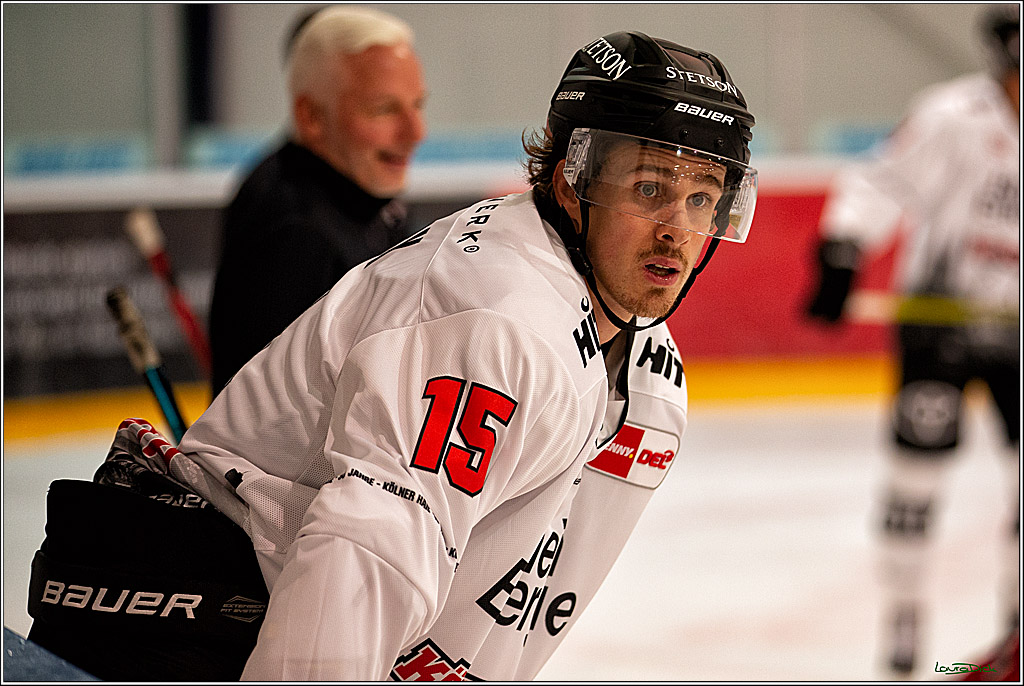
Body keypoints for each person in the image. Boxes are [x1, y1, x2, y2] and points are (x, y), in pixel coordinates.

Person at [25, 30, 757, 681]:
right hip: (180, 631)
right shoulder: (498, 321)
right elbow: (363, 558)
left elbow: (513, 620)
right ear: (572, 179)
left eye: (702, 199)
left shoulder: (647, 379)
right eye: (649, 188)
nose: (677, 231)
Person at [806, 7, 1019, 677]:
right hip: (940, 329)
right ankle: (904, 615)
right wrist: (845, 248)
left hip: (1019, 334)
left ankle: (1015, 628)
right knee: (915, 482)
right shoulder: (954, 115)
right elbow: (879, 180)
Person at [207, 5, 427, 395]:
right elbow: (280, 424)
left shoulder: (357, 190)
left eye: (417, 105)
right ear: (311, 116)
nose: (416, 131)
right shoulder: (296, 232)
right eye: (384, 109)